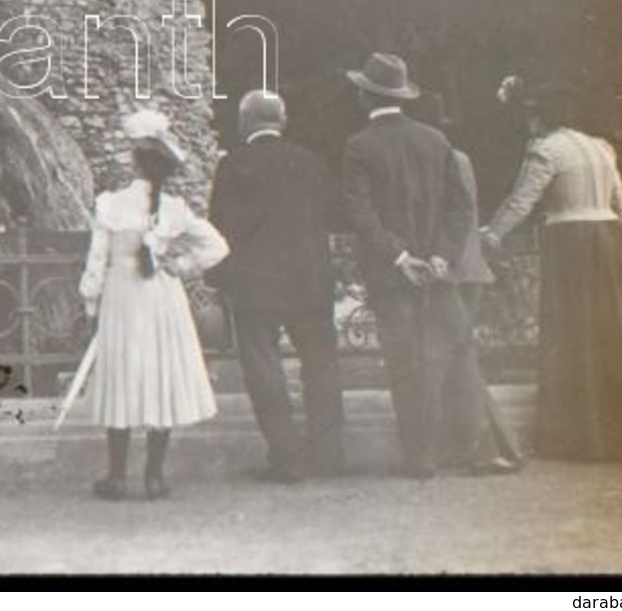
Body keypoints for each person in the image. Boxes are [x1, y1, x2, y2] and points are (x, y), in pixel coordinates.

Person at [480, 78, 622, 463]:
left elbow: (521, 201)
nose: (529, 122)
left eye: (532, 114)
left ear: (540, 116)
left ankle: (581, 436)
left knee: (576, 334)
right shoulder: (601, 147)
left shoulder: (545, 150)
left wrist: (491, 234)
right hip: (614, 241)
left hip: (573, 247)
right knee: (618, 333)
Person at [78, 109, 230, 500]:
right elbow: (216, 247)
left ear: (134, 160)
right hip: (163, 298)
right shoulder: (176, 208)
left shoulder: (110, 204)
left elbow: (97, 263)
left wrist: (91, 306)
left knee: (123, 377)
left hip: (123, 297)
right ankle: (154, 477)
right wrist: (178, 265)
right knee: (159, 376)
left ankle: (116, 477)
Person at [340, 53, 474, 480]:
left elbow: (359, 213)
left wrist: (399, 258)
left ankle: (420, 457)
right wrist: (439, 256)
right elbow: (460, 206)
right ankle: (458, 448)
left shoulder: (359, 145)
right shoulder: (436, 140)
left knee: (404, 363)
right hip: (436, 272)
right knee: (442, 357)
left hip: (391, 273)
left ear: (365, 96)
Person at [207, 90, 345, 483]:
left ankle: (286, 458)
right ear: (282, 121)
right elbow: (331, 215)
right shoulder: (310, 163)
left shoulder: (234, 166)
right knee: (321, 365)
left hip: (257, 285)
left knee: (264, 368)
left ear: (244, 122)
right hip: (310, 281)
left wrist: (220, 281)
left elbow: (221, 229)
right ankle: (328, 453)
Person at [414, 95, 523, 474]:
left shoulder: (436, 161)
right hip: (469, 269)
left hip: (450, 273)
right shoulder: (458, 158)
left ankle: (488, 447)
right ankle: (471, 446)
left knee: (453, 359)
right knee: (456, 356)